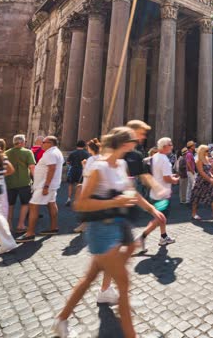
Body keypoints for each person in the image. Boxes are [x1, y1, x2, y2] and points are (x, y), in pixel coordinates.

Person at [52, 127, 166, 338]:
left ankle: (62, 318)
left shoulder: (121, 164)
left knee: (89, 278)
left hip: (117, 226)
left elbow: (130, 192)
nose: (135, 146)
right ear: (123, 144)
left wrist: (152, 209)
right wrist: (116, 201)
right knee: (123, 283)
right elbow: (81, 204)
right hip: (101, 230)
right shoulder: (100, 168)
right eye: (132, 142)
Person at [17, 136, 63, 242]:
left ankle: (30, 233)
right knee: (51, 203)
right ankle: (54, 227)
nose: (41, 144)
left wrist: (46, 186)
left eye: (43, 142)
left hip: (44, 185)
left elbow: (52, 169)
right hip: (50, 184)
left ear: (50, 143)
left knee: (33, 205)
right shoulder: (55, 152)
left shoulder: (50, 153)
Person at [137, 137, 179, 252]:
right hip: (162, 193)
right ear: (164, 146)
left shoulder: (155, 157)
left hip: (156, 192)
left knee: (161, 217)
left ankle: (163, 237)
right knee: (160, 218)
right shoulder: (164, 159)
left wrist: (170, 177)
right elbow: (166, 178)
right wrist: (175, 180)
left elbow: (159, 175)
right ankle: (142, 236)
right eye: (170, 144)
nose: (172, 146)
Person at [5, 134, 36, 233]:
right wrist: (36, 180)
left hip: (9, 182)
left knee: (10, 204)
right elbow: (32, 167)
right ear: (22, 142)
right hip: (24, 182)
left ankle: (8, 224)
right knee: (25, 204)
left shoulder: (6, 153)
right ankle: (21, 225)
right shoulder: (28, 152)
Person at [191, 145, 213, 220]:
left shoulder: (206, 159)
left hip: (207, 180)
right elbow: (201, 172)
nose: (208, 152)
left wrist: (212, 176)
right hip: (200, 181)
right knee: (196, 197)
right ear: (202, 152)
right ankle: (194, 214)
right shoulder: (199, 160)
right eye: (206, 151)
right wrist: (210, 179)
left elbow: (208, 171)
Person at [65, 140, 90, 207]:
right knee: (79, 185)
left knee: (70, 184)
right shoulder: (86, 153)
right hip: (81, 170)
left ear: (77, 145)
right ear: (84, 146)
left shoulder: (73, 153)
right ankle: (77, 200)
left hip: (73, 169)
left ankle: (69, 199)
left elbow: (68, 162)